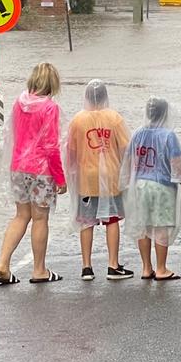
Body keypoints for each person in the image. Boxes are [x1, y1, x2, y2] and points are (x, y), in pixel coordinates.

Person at [0, 63, 66, 285]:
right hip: (41, 171)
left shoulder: (19, 102)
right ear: (52, 84)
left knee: (21, 216)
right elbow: (51, 146)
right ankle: (39, 270)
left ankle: (3, 263)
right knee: (40, 218)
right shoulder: (50, 108)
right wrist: (61, 179)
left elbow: (12, 135)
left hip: (18, 166)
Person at [66, 79, 133, 281]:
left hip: (86, 178)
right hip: (110, 177)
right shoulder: (114, 118)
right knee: (111, 219)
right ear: (105, 96)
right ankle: (113, 265)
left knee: (87, 221)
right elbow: (126, 149)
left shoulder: (77, 120)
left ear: (86, 97)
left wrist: (70, 176)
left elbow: (71, 152)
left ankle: (87, 266)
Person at [122, 97, 181, 281]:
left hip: (139, 185)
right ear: (165, 113)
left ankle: (146, 268)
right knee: (160, 227)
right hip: (161, 186)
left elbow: (129, 159)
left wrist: (127, 183)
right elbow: (176, 162)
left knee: (143, 227)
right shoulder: (168, 135)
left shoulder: (138, 133)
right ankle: (161, 269)